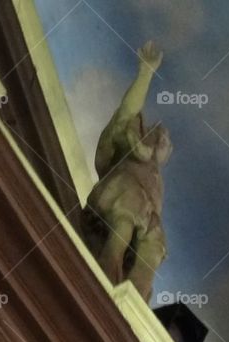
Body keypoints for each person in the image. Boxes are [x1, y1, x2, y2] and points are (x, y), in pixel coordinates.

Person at [83, 42, 171, 301]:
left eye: (164, 140)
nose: (161, 138)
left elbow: (153, 211)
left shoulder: (156, 179)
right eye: (156, 132)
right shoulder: (128, 141)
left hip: (141, 208)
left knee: (156, 242)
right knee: (128, 210)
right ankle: (108, 268)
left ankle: (133, 300)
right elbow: (128, 111)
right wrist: (146, 73)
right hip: (117, 195)